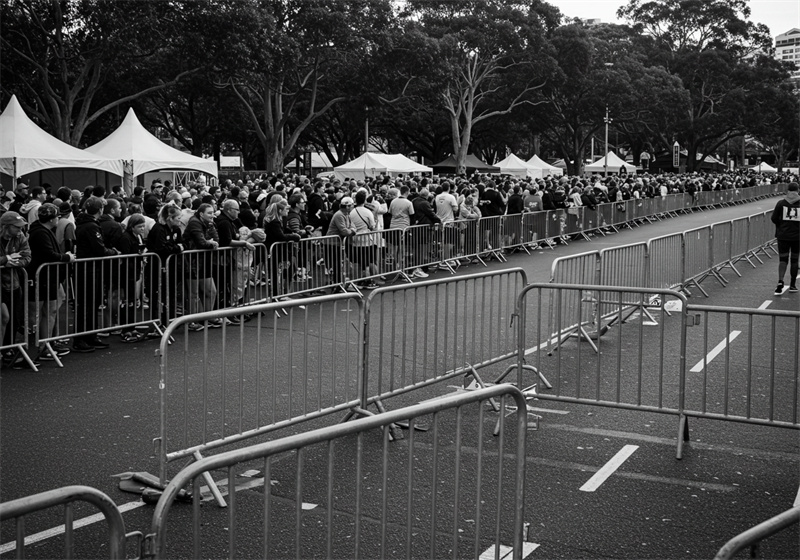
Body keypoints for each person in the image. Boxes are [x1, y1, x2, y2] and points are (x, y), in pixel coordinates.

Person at [27, 203, 75, 362]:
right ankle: (44, 346)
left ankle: (48, 343)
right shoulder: (40, 233)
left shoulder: (41, 230)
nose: (59, 219)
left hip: (49, 276)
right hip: (44, 276)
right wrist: (67, 257)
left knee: (51, 309)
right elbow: (48, 254)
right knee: (47, 311)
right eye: (57, 217)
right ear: (52, 219)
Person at [73, 197, 119, 353]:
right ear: (100, 210)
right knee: (87, 305)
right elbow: (99, 249)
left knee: (92, 304)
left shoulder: (85, 224)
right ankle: (81, 338)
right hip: (89, 269)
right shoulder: (91, 226)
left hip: (91, 268)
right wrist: (113, 252)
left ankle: (90, 335)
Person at [0, 211, 32, 367]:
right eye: (17, 227)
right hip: (1, 283)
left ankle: (8, 349)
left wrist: (15, 263)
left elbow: (27, 256)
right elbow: (9, 258)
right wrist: (6, 259)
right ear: (6, 227)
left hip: (13, 282)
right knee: (4, 317)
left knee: (14, 318)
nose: (20, 230)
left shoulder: (20, 237)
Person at [182, 203, 220, 329]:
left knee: (211, 290)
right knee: (193, 293)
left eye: (213, 212)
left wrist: (210, 242)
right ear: (201, 213)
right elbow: (201, 242)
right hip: (191, 261)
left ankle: (208, 317)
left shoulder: (210, 223)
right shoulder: (194, 222)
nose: (212, 215)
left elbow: (216, 239)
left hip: (204, 261)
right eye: (209, 213)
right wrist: (209, 242)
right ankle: (191, 321)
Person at [770, 182, 800, 295]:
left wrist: (781, 225)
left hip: (783, 235)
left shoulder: (781, 203)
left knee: (783, 259)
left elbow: (773, 218)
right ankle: (792, 285)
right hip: (797, 236)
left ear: (788, 190)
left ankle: (780, 281)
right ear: (798, 190)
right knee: (794, 259)